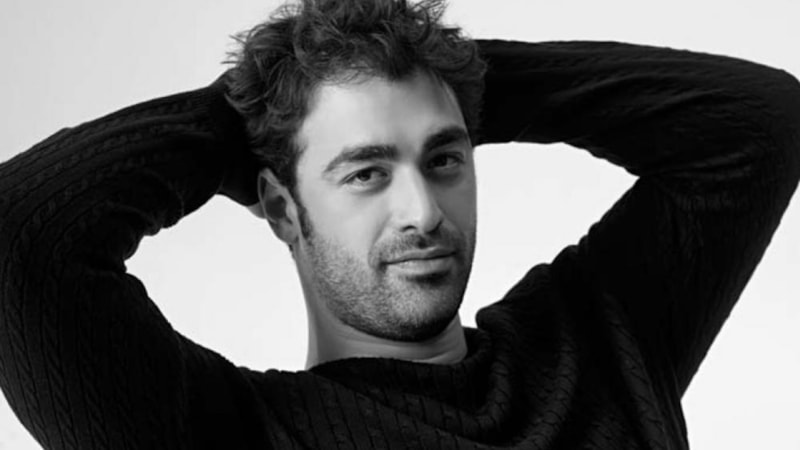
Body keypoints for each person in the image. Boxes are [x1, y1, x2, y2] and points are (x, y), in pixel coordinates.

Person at [0, 0, 798, 448]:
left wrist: (449, 77)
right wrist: (266, 101)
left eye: (444, 158)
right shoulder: (224, 435)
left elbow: (762, 123)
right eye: (367, 172)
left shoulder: (594, 346)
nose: (423, 212)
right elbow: (17, 235)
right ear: (282, 207)